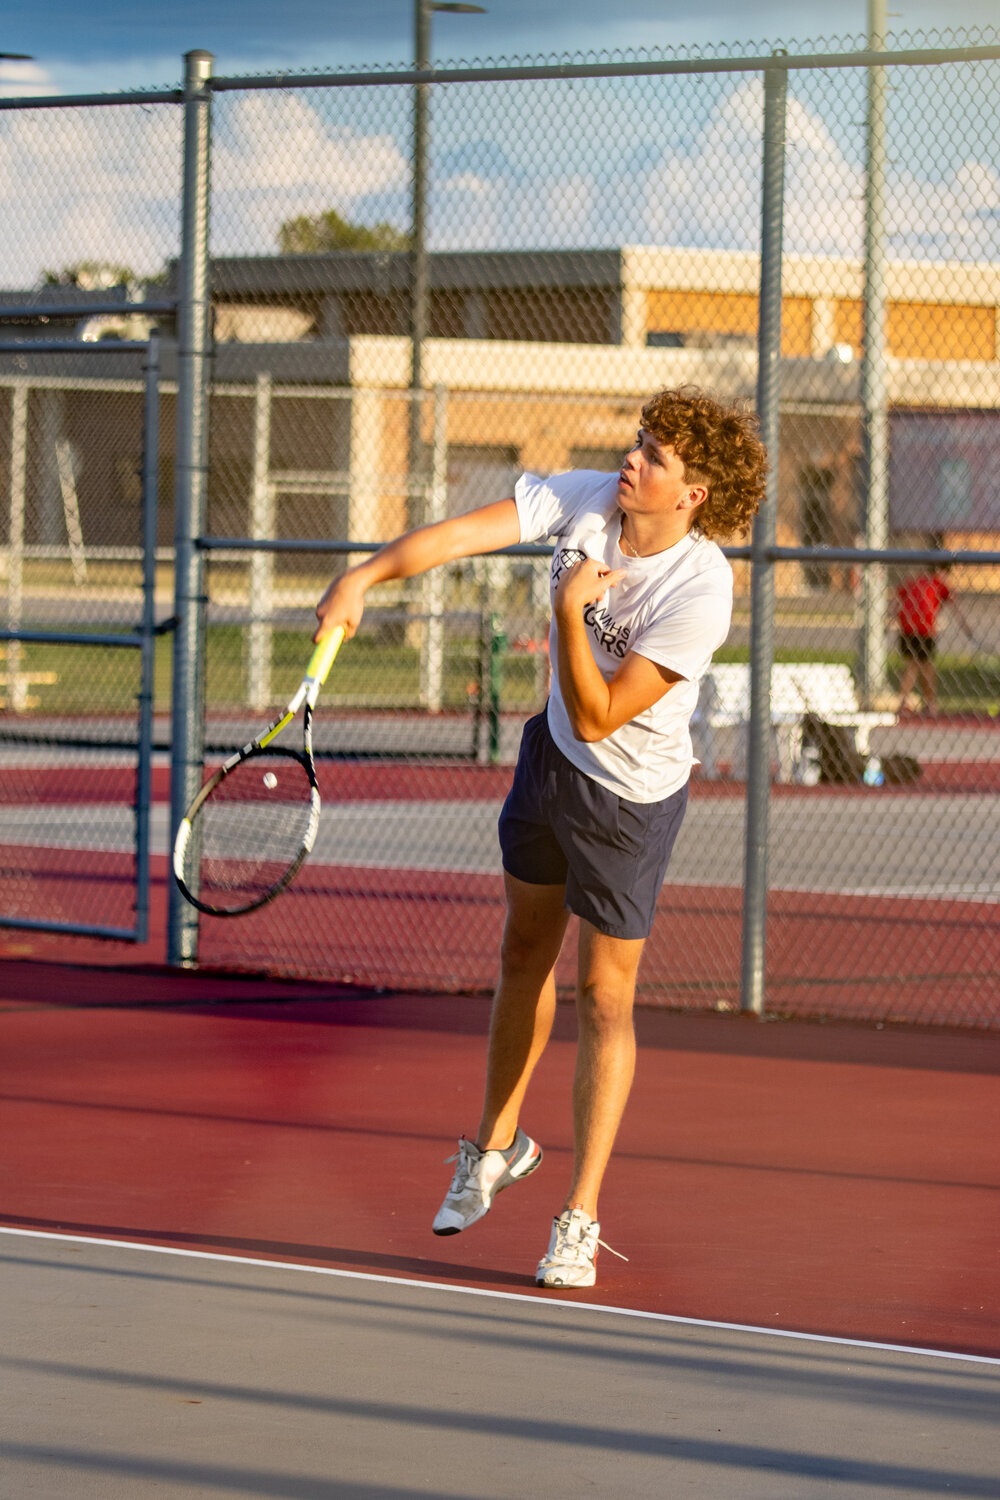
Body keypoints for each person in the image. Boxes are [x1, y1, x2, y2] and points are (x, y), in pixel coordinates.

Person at [314, 387, 767, 1288]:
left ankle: (581, 1214)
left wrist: (567, 610)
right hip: (550, 764)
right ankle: (494, 1145)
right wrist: (362, 578)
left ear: (694, 496)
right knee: (524, 949)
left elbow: (602, 716)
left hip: (629, 800)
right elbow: (453, 536)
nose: (632, 460)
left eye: (657, 457)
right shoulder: (587, 497)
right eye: (639, 442)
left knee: (605, 994)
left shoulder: (701, 588)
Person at [895, 558, 976, 716]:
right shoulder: (939, 583)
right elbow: (956, 606)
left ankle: (924, 701)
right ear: (943, 572)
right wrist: (967, 628)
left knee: (920, 665)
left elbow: (896, 601)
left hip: (906, 627)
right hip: (924, 628)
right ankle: (920, 702)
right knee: (921, 666)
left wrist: (889, 621)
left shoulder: (914, 581)